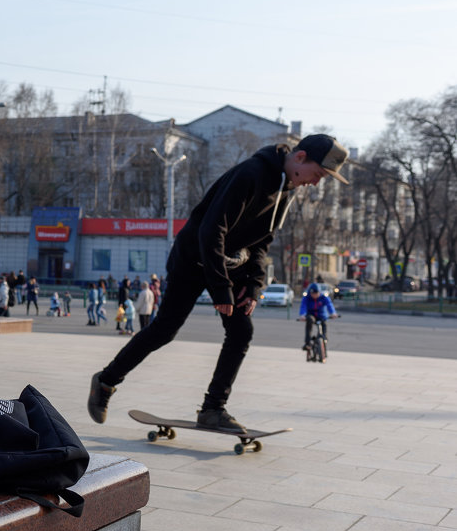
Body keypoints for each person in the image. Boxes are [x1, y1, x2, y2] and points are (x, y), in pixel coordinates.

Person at [87, 133, 351, 433]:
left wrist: (253, 286)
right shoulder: (251, 174)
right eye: (318, 175)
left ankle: (213, 409)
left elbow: (263, 242)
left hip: (230, 263)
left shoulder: (285, 191)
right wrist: (221, 288)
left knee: (241, 332)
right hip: (193, 258)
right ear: (300, 158)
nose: (315, 183)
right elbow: (211, 231)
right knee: (164, 330)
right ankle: (106, 381)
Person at [298, 283, 338, 349]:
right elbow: (303, 306)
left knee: (324, 324)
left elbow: (329, 305)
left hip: (321, 315)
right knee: (309, 322)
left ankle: (324, 338)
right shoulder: (307, 298)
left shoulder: (324, 297)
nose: (314, 295)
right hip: (311, 315)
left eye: (316, 293)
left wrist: (333, 313)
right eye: (312, 293)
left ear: (319, 292)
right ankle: (307, 343)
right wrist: (303, 315)